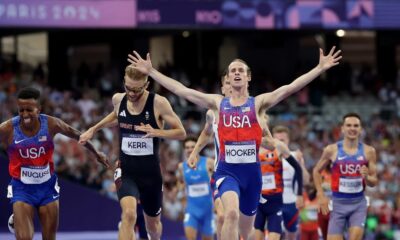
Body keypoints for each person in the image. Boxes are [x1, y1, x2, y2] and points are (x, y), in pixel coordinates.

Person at [128, 46, 341, 239]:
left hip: (252, 176)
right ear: (228, 79)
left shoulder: (258, 103)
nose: (237, 73)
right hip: (227, 172)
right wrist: (152, 72)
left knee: (244, 232)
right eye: (233, 71)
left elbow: (290, 88)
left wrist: (319, 68)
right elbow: (182, 90)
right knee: (229, 213)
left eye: (241, 70)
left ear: (248, 77)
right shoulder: (218, 104)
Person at [79, 65, 186, 240]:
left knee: (153, 228)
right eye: (128, 87)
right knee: (129, 215)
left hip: (151, 174)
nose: (132, 93)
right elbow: (115, 115)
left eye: (137, 89)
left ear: (147, 85)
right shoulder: (118, 99)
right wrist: (93, 129)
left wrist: (157, 132)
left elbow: (181, 132)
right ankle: (126, 226)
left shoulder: (158, 103)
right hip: (126, 171)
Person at [0, 87, 109, 240]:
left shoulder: (51, 124)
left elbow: (76, 134)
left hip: (47, 187)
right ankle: (19, 217)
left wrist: (96, 153)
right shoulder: (7, 128)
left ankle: (19, 218)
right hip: (21, 188)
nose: (24, 114)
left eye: (29, 110)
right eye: (21, 110)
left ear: (39, 110)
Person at [313, 113, 378, 240]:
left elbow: (374, 181)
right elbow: (316, 171)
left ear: (360, 129)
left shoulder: (369, 151)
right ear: (342, 128)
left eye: (356, 126)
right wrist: (320, 194)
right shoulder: (331, 150)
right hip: (338, 204)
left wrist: (367, 177)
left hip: (358, 204)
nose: (352, 128)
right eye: (348, 125)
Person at [187, 73, 234, 240]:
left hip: (245, 173)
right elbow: (206, 133)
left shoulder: (251, 108)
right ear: (222, 88)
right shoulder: (212, 113)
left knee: (240, 220)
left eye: (233, 82)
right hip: (221, 173)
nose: (230, 86)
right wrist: (194, 152)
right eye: (227, 83)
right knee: (222, 216)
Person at [253, 133, 303, 240]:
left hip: (275, 201)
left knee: (279, 235)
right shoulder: (250, 146)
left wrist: (299, 194)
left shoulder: (278, 146)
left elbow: (298, 168)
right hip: (257, 200)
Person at [272, 125, 310, 239]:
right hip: (274, 202)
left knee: (291, 235)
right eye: (277, 140)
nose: (279, 143)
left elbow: (306, 181)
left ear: (288, 141)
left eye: (282, 140)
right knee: (273, 234)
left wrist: (300, 163)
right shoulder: (266, 157)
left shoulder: (294, 156)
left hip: (292, 203)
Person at [177, 136, 214, 240]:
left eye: (192, 147)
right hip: (192, 210)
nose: (189, 149)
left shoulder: (208, 162)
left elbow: (219, 180)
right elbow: (180, 184)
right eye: (187, 147)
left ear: (198, 147)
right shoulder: (181, 167)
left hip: (208, 210)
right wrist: (180, 193)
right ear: (184, 149)